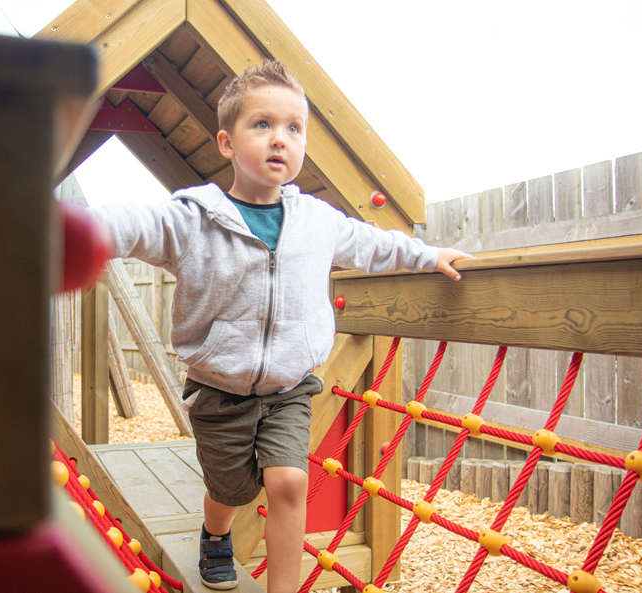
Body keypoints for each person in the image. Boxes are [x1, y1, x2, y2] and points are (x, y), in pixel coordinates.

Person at [94, 60, 472, 592]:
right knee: (231, 490)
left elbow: (373, 245)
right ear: (227, 143)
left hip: (290, 387)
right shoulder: (194, 219)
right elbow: (134, 224)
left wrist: (428, 256)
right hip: (218, 389)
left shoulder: (317, 221)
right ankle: (215, 533)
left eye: (294, 128)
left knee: (291, 481)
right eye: (262, 125)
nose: (280, 140)